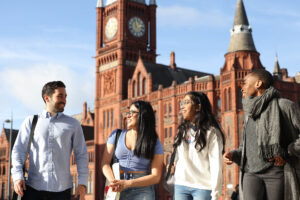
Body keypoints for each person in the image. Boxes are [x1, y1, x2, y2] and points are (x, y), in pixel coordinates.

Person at [223, 69, 300, 200]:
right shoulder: (250, 112)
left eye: (245, 83)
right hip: (250, 172)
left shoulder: (284, 106)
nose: (242, 88)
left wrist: (287, 151)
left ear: (258, 83)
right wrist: (234, 154)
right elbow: (245, 145)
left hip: (277, 173)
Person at [11, 81, 89, 200]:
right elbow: (18, 151)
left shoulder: (73, 124)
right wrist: (17, 177)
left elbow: (81, 155)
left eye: (65, 96)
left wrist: (82, 183)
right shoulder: (31, 121)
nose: (64, 100)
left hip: (62, 192)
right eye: (60, 96)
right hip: (33, 190)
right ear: (47, 98)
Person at [101, 100, 164, 200]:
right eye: (128, 113)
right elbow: (105, 163)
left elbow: (156, 176)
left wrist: (128, 183)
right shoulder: (116, 135)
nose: (128, 116)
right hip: (117, 187)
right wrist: (114, 181)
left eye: (132, 113)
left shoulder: (154, 141)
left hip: (142, 190)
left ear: (143, 115)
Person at [172, 91, 225, 200]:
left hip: (203, 187)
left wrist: (216, 193)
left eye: (186, 102)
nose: (182, 106)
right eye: (182, 103)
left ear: (198, 107)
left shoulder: (212, 132)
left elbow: (216, 163)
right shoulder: (181, 131)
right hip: (181, 185)